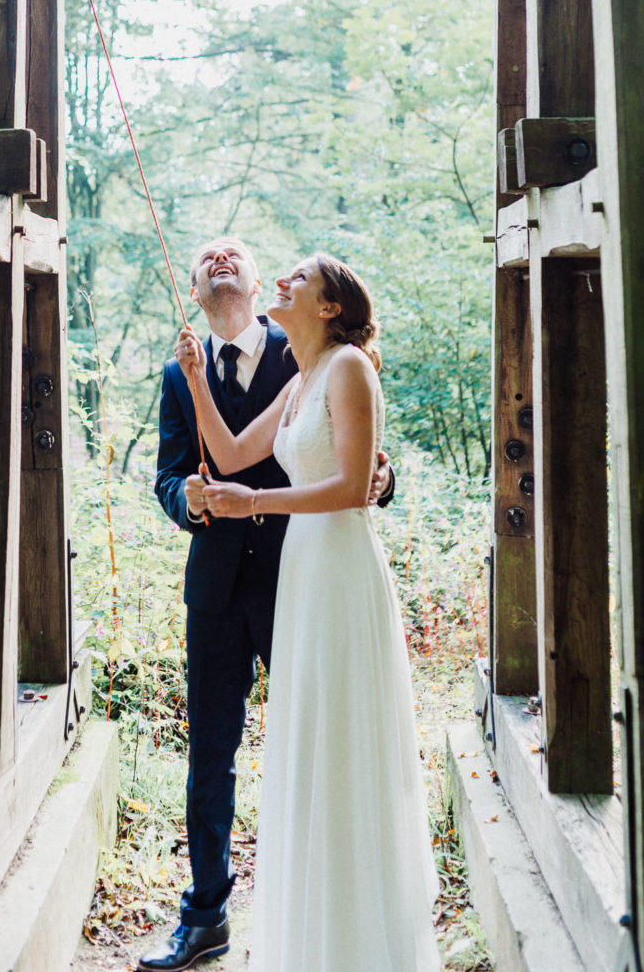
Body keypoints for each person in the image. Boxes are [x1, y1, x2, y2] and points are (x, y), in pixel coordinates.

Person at [175, 253, 440, 972]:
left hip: (339, 569)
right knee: (309, 743)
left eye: (298, 276)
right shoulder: (301, 378)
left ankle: (360, 936)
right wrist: (197, 380)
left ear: (327, 307)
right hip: (303, 572)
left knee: (343, 742)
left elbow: (354, 485)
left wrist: (256, 504)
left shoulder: (349, 367)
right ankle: (314, 933)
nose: (285, 282)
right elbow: (227, 456)